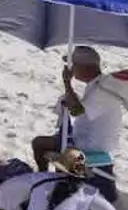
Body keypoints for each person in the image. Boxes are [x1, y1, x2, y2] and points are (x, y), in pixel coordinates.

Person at [29, 45, 123, 202]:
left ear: (85, 67)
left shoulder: (102, 90)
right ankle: (45, 179)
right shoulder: (97, 85)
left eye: (73, 65)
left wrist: (67, 82)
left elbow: (77, 110)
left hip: (91, 147)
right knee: (45, 143)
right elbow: (79, 110)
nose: (71, 69)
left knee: (44, 147)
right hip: (85, 140)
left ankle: (47, 182)